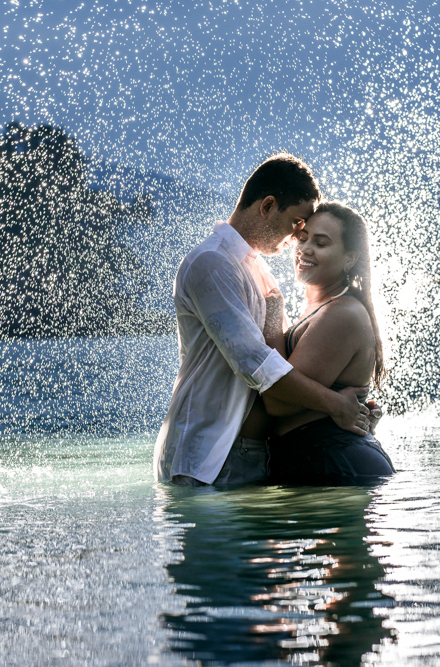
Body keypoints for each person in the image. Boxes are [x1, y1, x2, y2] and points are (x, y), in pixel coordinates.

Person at [153, 155, 373, 487]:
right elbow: (255, 364)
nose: (297, 237)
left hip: (253, 456)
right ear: (268, 206)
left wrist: (354, 408)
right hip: (207, 454)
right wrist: (336, 405)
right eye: (297, 223)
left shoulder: (257, 270)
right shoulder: (212, 263)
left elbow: (288, 362)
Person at [262, 202, 395, 484]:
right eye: (302, 237)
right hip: (325, 460)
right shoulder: (322, 307)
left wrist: (272, 322)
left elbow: (276, 402)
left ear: (349, 259)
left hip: (335, 463)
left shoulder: (341, 313)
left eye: (321, 243)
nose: (305, 248)